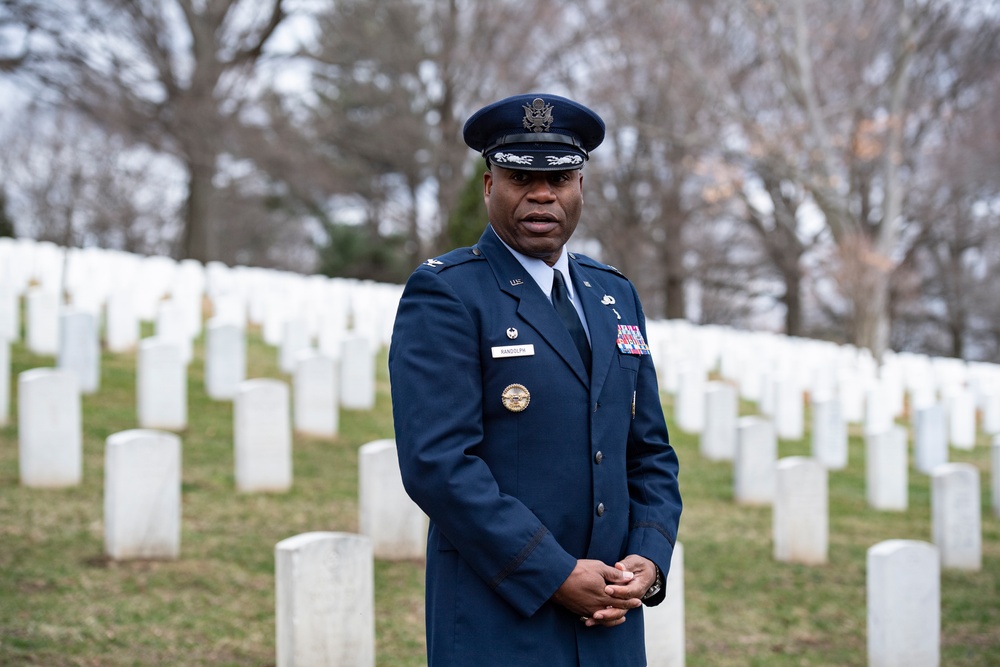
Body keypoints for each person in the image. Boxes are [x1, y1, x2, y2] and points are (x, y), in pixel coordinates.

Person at [388, 93, 682, 667]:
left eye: (561, 178)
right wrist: (554, 573)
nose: (543, 194)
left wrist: (648, 558)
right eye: (521, 176)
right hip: (500, 616)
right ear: (488, 185)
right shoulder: (448, 293)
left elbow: (647, 451)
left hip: (611, 618)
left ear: (580, 186)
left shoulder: (614, 294)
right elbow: (439, 463)